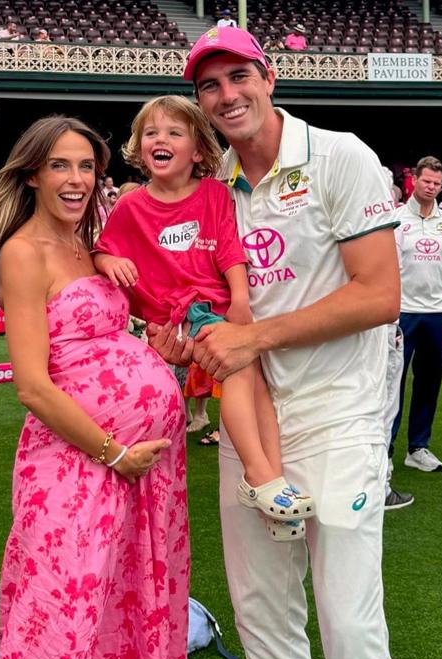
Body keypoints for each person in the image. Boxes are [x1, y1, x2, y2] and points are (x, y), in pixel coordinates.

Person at [149, 26, 409, 659]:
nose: (227, 95)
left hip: (337, 412)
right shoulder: (210, 190)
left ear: (270, 78)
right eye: (209, 85)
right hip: (252, 425)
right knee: (263, 617)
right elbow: (214, 307)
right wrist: (192, 346)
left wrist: (250, 338)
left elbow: (380, 294)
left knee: (348, 621)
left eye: (239, 76)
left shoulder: (340, 156)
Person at [0, 116, 189, 659]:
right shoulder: (24, 253)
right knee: (64, 611)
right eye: (60, 164)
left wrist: (161, 356)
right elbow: (34, 387)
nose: (76, 178)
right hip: (79, 465)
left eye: (86, 166)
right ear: (33, 175)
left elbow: (103, 347)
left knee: (126, 601)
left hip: (143, 470)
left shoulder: (89, 244)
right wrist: (117, 453)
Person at [94, 95, 315, 538]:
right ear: (139, 146)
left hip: (216, 311)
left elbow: (230, 247)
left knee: (257, 386)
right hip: (177, 318)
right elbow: (102, 250)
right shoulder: (131, 206)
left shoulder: (215, 194)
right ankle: (259, 475)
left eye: (174, 133)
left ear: (197, 151)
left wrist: (239, 297)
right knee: (239, 372)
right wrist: (107, 264)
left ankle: (273, 484)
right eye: (151, 133)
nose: (161, 139)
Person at [389, 156, 442, 473]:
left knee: (428, 384)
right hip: (403, 312)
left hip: (439, 313)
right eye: (426, 181)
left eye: (436, 183)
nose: (431, 187)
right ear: (415, 180)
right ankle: (385, 449)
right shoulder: (395, 219)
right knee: (393, 383)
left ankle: (417, 448)